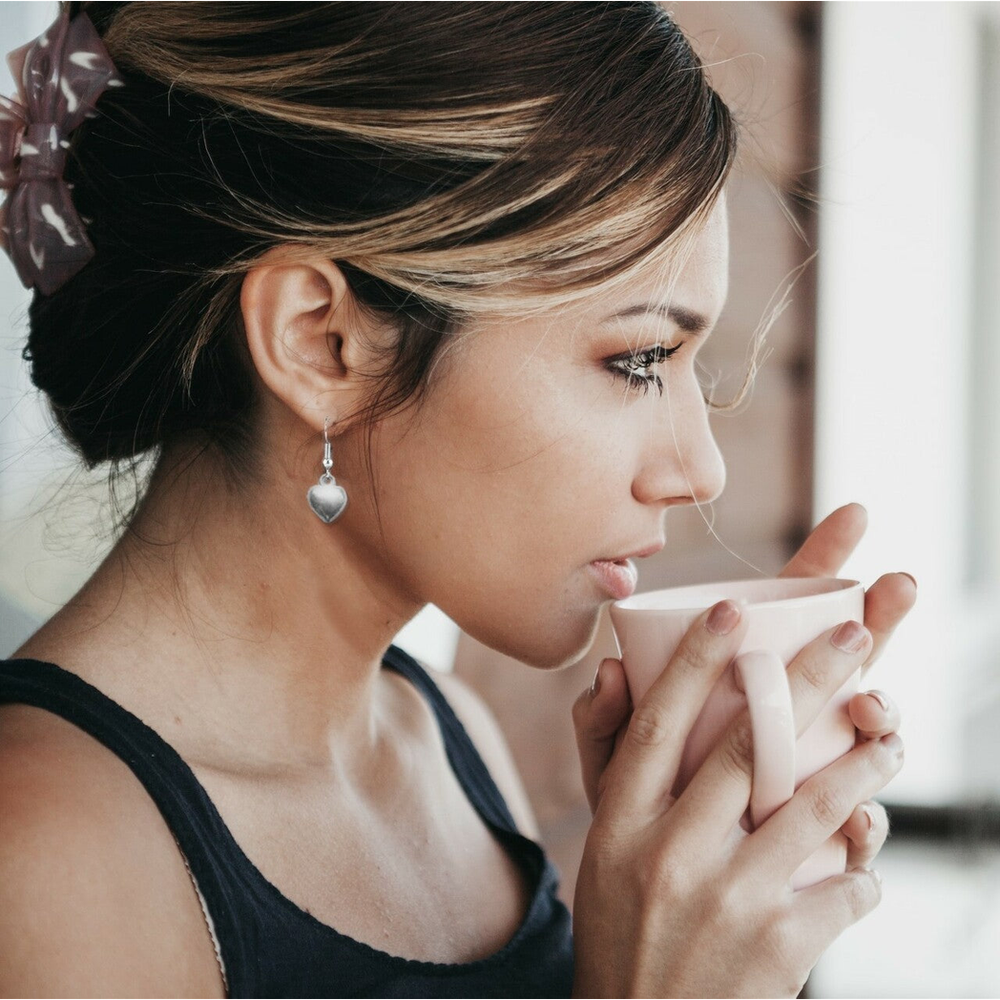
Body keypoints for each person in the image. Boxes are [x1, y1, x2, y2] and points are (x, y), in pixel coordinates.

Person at [0, 1, 916, 997]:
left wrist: (692, 905)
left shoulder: (447, 740)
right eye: (637, 358)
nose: (702, 471)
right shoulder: (47, 856)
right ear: (322, 342)